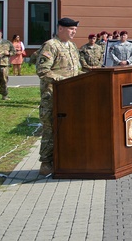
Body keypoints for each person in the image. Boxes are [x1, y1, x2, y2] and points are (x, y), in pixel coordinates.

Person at [35, 17, 82, 174]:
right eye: (70, 29)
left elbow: (76, 70)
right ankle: (46, 162)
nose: (73, 32)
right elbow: (42, 71)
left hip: (70, 96)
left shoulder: (72, 46)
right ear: (60, 29)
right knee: (50, 128)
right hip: (53, 95)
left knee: (68, 128)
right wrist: (63, 80)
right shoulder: (51, 45)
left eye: (75, 30)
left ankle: (65, 159)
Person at [0, 29, 12, 99]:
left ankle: (4, 95)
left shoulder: (7, 43)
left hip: (4, 65)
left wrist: (8, 53)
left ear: (0, 34)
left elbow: (14, 51)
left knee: (4, 80)